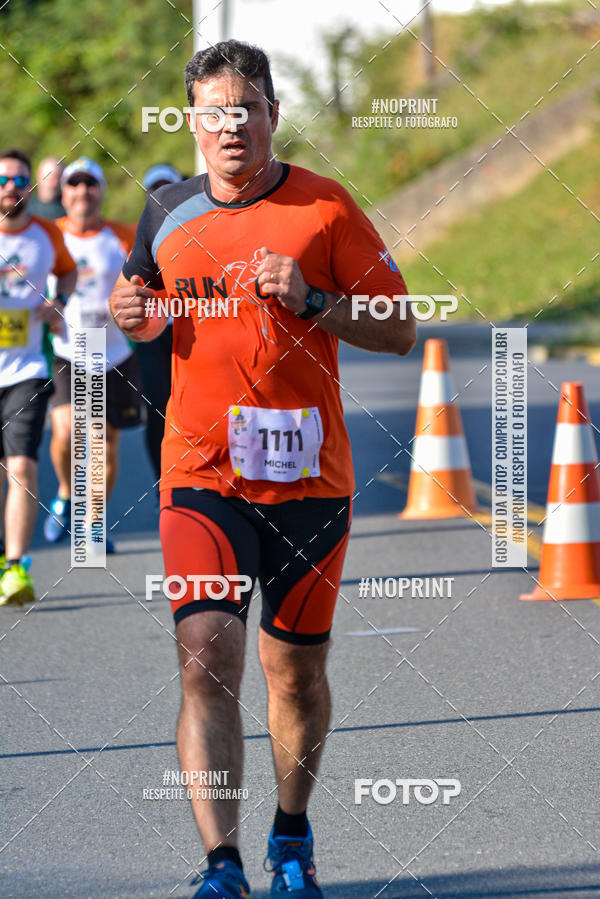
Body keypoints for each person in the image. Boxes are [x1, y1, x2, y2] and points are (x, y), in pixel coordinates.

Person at [110, 40, 415, 898]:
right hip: (200, 471)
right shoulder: (166, 212)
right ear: (193, 123)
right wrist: (129, 311)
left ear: (274, 115)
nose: (231, 124)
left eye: (246, 107)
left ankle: (290, 836)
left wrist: (314, 300)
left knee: (296, 672)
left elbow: (399, 328)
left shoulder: (325, 208)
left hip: (311, 478)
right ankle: (222, 864)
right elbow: (142, 304)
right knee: (206, 649)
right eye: (214, 110)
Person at [43, 157, 140, 553]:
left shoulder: (124, 235)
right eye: (74, 184)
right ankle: (67, 493)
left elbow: (153, 279)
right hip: (67, 349)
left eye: (90, 184)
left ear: (100, 191)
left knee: (105, 443)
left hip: (114, 352)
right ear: (63, 193)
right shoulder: (47, 235)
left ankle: (93, 524)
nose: (83, 191)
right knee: (66, 434)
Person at [0, 148, 76, 605]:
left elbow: (67, 275)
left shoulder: (48, 234)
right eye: (4, 179)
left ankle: (16, 566)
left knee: (22, 466)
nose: (11, 186)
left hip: (27, 368)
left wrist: (58, 305)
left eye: (19, 179)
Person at [134, 164, 183, 483]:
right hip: (153, 336)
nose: (161, 195)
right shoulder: (142, 232)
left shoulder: (199, 228)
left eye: (168, 188)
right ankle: (162, 483)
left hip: (191, 332)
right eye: (155, 189)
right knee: (158, 411)